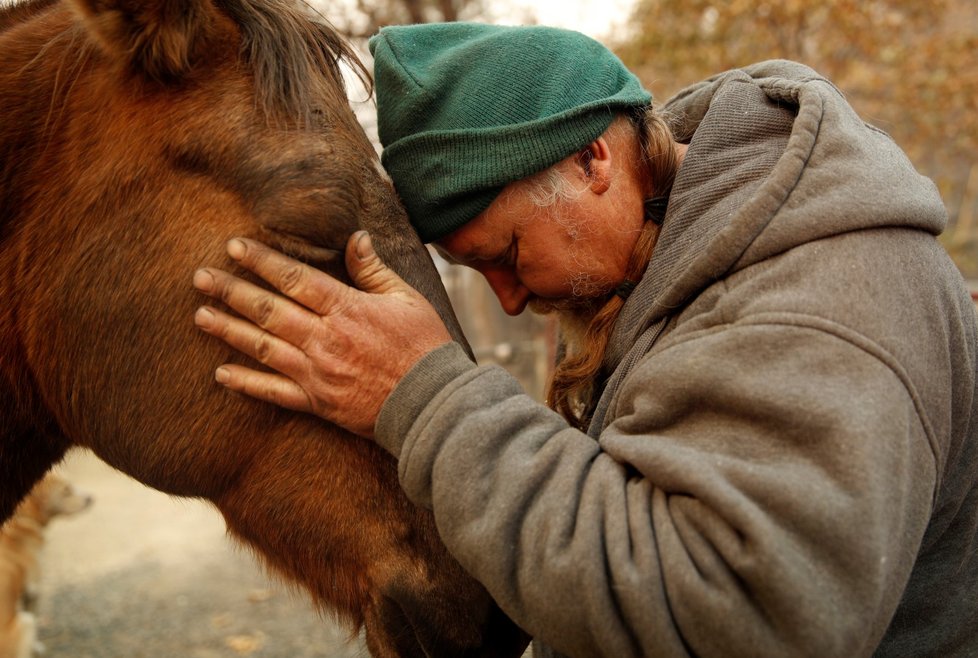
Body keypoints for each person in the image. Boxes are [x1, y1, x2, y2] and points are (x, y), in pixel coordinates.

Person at [190, 22, 978, 658]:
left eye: (505, 254)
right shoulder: (690, 259)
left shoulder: (823, 294)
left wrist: (423, 396)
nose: (506, 297)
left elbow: (742, 620)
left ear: (592, 158)